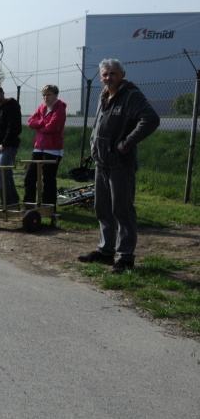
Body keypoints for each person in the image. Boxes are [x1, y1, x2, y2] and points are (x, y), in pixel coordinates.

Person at [78, 58, 160, 273]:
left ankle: (125, 257)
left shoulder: (131, 95)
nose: (108, 78)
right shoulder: (103, 95)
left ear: (122, 74)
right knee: (102, 208)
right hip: (101, 162)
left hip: (120, 164)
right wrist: (94, 146)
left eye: (113, 73)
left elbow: (150, 119)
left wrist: (126, 144)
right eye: (105, 74)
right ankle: (105, 251)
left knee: (122, 210)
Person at [23, 84, 66, 206]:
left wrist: (39, 128)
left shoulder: (60, 108)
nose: (46, 97)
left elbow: (53, 127)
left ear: (55, 95)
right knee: (30, 177)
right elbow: (30, 122)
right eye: (44, 95)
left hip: (53, 150)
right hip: (38, 148)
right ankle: (29, 204)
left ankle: (49, 207)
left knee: (48, 178)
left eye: (49, 94)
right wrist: (42, 122)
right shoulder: (42, 107)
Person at [0, 85, 22, 205]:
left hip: (8, 146)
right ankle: (13, 201)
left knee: (1, 174)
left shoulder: (11, 106)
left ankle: (6, 203)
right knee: (7, 174)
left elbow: (13, 127)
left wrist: (4, 143)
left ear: (2, 93)